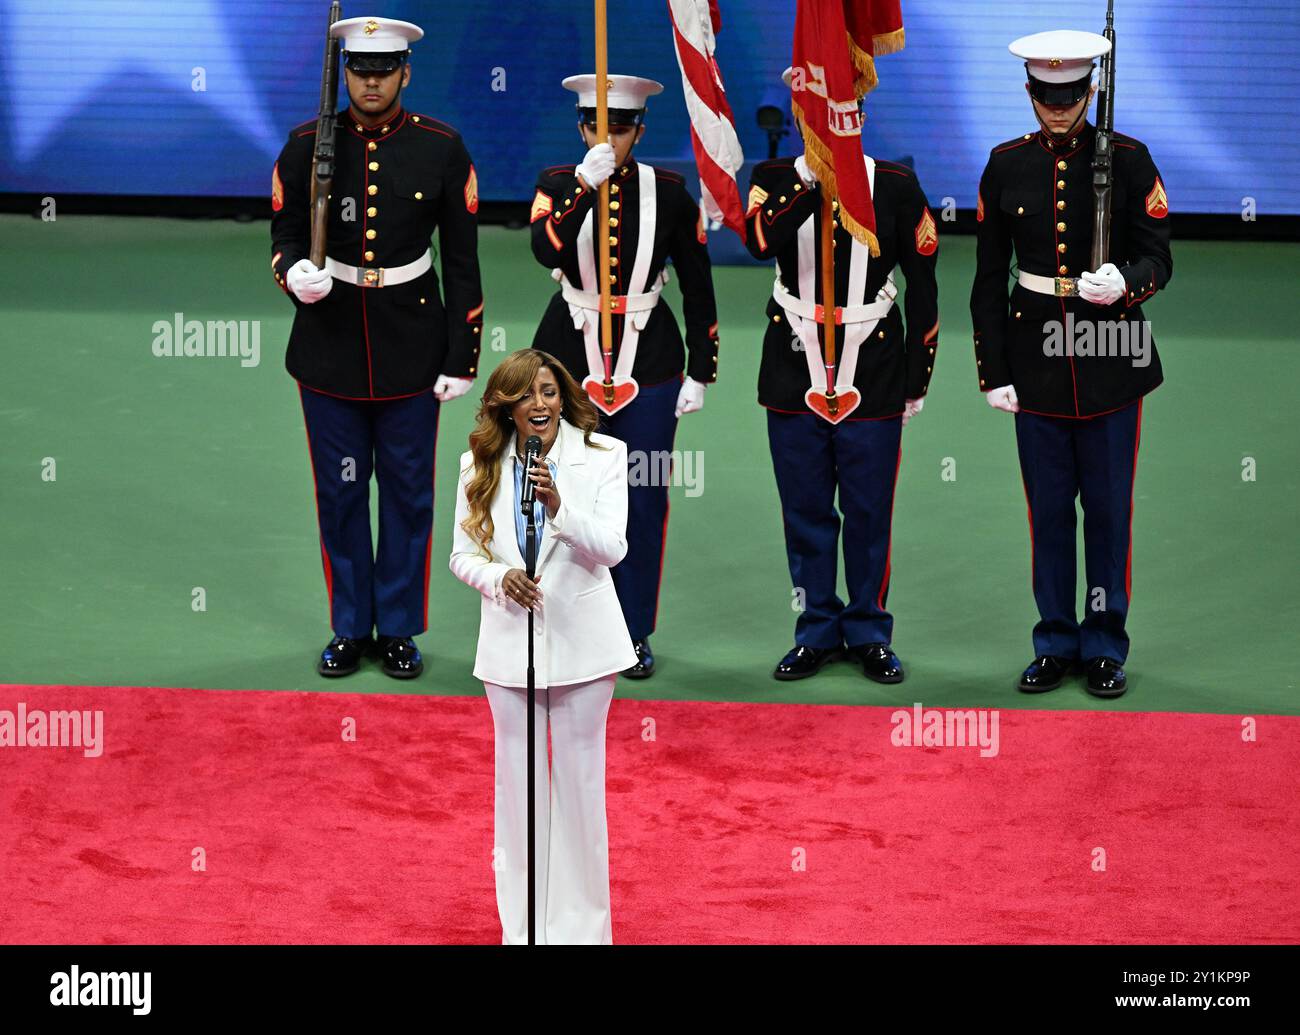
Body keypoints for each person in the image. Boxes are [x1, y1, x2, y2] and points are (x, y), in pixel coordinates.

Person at [270, 16, 484, 679]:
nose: (370, 83)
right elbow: (283, 232)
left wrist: (461, 354)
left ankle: (396, 627)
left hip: (412, 347)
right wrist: (291, 272)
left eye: (383, 71)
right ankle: (347, 625)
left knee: (407, 494)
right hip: (329, 347)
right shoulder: (307, 144)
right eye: (359, 71)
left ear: (405, 73)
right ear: (348, 75)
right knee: (339, 495)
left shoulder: (441, 149)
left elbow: (462, 261)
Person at [970, 30, 1172, 698]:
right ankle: (1055, 639)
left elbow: (1159, 258)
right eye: (1046, 96)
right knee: (1050, 510)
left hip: (1111, 359)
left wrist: (1126, 281)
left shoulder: (1132, 160)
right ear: (1029, 92)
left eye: (1071, 95)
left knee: (1109, 510)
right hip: (1035, 364)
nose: (1059, 108)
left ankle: (1104, 641)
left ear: (1091, 91)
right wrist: (993, 371)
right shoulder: (1005, 166)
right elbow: (988, 279)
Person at [744, 68, 940, 684]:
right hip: (792, 365)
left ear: (857, 116)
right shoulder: (772, 181)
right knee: (804, 510)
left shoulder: (898, 187)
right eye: (811, 113)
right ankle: (815, 630)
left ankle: (868, 630)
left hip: (875, 367)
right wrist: (809, 180)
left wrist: (917, 378)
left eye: (836, 113)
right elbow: (757, 241)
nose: (824, 124)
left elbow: (925, 286)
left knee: (867, 510)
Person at [527, 73, 721, 680]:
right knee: (557, 494)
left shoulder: (670, 191)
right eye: (594, 125)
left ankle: (631, 631)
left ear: (640, 129)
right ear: (580, 127)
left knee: (641, 498)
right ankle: (556, 624)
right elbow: (545, 248)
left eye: (618, 126)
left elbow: (697, 282)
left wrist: (702, 368)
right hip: (564, 362)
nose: (606, 135)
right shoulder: (557, 184)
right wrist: (586, 183)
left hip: (650, 363)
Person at [449, 349, 635, 945]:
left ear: (564, 399)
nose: (540, 404)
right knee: (518, 789)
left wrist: (559, 506)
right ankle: (524, 929)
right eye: (526, 395)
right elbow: (462, 555)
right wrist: (497, 578)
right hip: (509, 648)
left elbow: (612, 547)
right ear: (506, 406)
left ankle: (583, 932)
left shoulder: (605, 456)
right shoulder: (478, 463)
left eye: (549, 392)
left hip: (585, 647)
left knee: (580, 789)